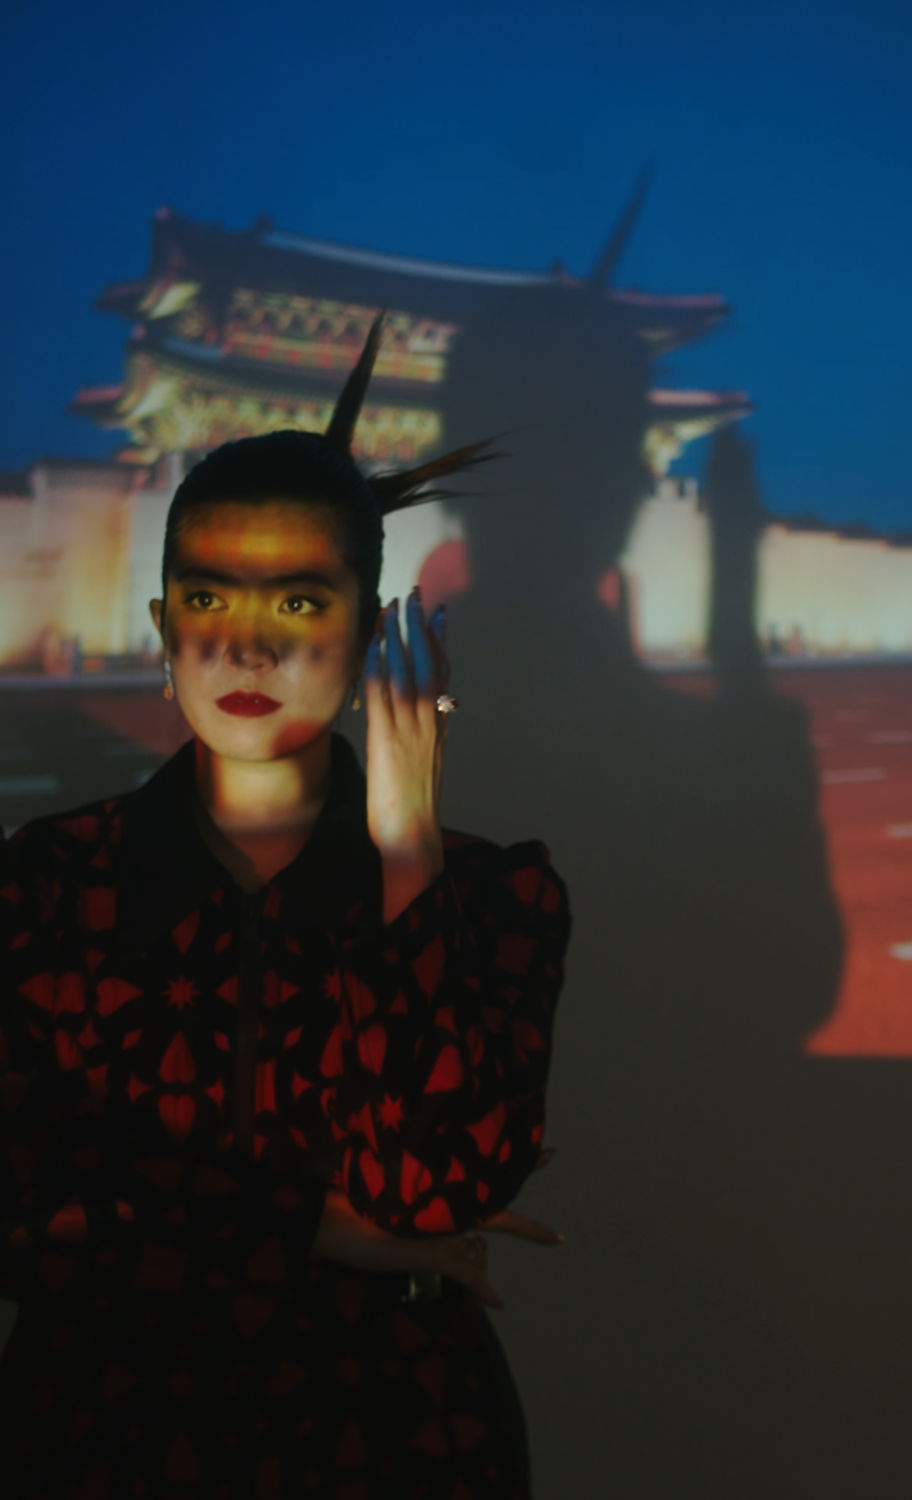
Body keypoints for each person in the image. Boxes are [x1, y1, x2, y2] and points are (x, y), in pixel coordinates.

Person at [0, 314, 572, 1499]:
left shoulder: (493, 892)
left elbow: (439, 1186)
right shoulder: (46, 887)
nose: (246, 645)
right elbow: (22, 1212)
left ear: (370, 630)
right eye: (209, 599)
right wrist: (333, 1232)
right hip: (101, 1435)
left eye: (301, 605)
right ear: (161, 634)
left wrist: (406, 840)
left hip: (399, 1440)